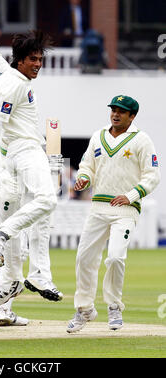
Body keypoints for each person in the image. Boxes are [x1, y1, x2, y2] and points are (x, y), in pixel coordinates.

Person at [0, 32, 58, 306]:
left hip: (14, 156)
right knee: (47, 200)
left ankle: (20, 278)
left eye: (40, 59)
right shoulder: (14, 86)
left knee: (27, 211)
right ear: (20, 61)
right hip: (25, 151)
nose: (38, 64)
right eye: (33, 59)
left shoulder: (14, 77)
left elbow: (4, 71)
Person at [67, 95, 161, 333]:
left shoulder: (141, 140)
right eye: (113, 110)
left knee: (116, 257)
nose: (115, 114)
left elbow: (152, 175)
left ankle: (114, 306)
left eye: (121, 111)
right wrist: (83, 178)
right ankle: (84, 309)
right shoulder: (99, 136)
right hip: (98, 207)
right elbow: (87, 165)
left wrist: (131, 196)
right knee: (84, 258)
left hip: (125, 209)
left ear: (132, 116)